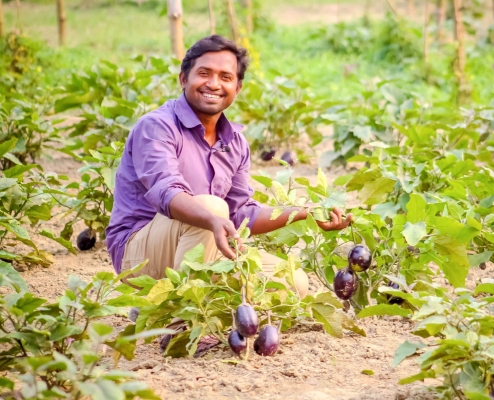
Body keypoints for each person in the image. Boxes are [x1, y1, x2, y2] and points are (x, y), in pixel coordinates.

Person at [105, 35, 352, 352]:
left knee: (294, 283)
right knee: (209, 207)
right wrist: (212, 218)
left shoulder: (234, 141)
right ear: (184, 79)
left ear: (238, 88)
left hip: (200, 248)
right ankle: (181, 325)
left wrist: (307, 212)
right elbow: (166, 190)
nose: (214, 84)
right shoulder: (157, 127)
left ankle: (161, 308)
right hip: (140, 254)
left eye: (225, 77)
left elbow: (242, 213)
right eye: (204, 73)